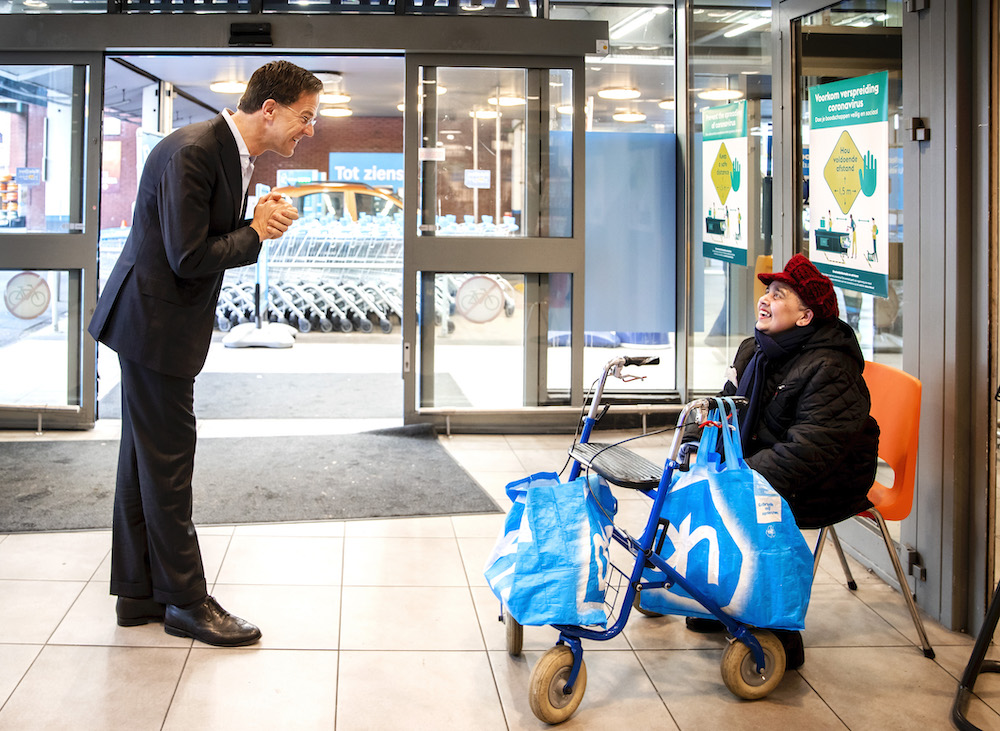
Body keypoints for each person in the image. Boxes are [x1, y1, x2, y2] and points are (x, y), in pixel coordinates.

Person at [88, 61, 323, 646]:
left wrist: (251, 221)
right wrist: (257, 233)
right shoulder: (194, 150)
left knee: (143, 462)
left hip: (155, 323)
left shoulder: (225, 151)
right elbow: (188, 255)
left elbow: (196, 234)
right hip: (153, 326)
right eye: (305, 116)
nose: (309, 130)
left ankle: (138, 593)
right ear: (269, 109)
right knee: (167, 465)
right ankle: (187, 602)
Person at [687, 254, 879, 670]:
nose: (765, 300)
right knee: (696, 483)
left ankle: (778, 631)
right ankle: (720, 598)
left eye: (779, 295)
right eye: (767, 292)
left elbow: (811, 450)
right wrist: (694, 444)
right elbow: (725, 410)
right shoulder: (754, 350)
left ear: (806, 316)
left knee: (748, 504)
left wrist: (741, 478)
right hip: (771, 461)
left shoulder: (831, 367)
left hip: (827, 479)